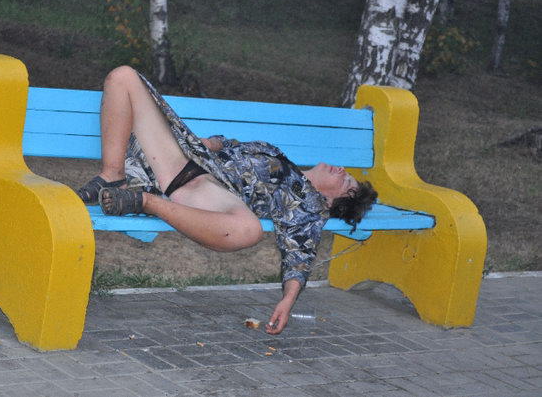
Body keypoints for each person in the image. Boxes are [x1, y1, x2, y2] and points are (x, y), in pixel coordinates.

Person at [76, 66, 377, 334]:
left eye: (346, 182)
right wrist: (213, 142)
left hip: (206, 192)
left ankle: (145, 202)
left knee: (249, 231)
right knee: (124, 77)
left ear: (330, 203)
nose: (341, 171)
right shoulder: (284, 161)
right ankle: (112, 175)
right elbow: (234, 146)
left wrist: (287, 300)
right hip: (183, 158)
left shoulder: (306, 206)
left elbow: (300, 253)